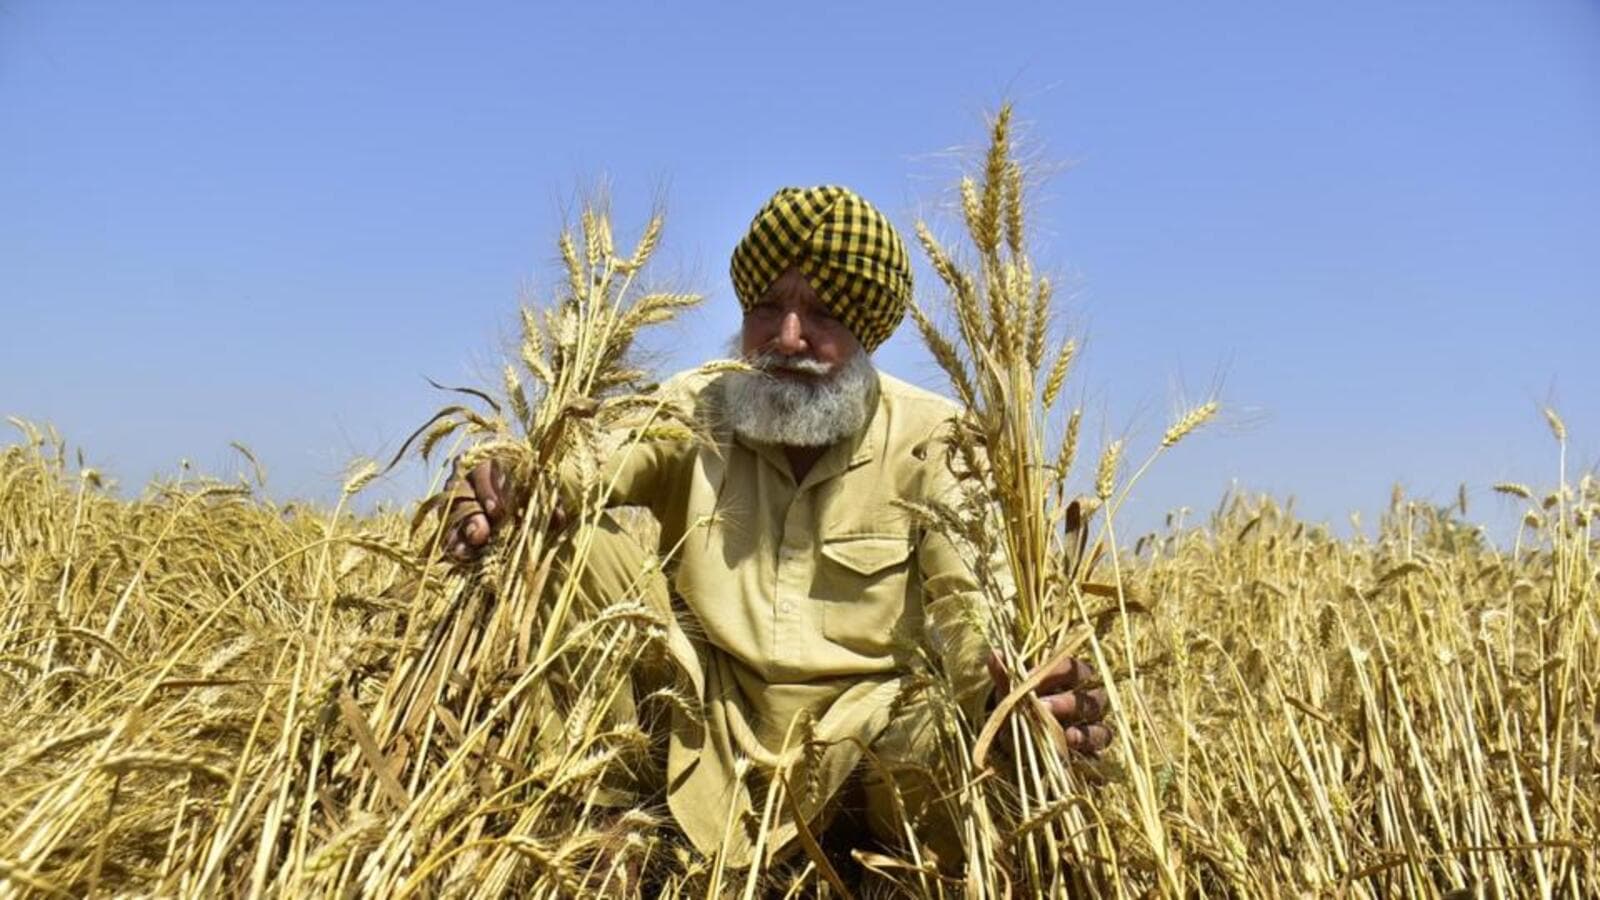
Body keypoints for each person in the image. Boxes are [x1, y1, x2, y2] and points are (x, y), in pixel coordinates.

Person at [442, 185, 1110, 870]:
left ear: (867, 330)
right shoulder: (696, 405)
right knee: (559, 543)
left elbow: (974, 609)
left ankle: (875, 861)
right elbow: (584, 460)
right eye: (768, 308)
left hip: (863, 754)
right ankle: (611, 819)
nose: (788, 338)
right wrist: (512, 481)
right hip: (701, 728)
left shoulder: (934, 440)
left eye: (821, 313)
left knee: (952, 725)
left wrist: (1016, 688)